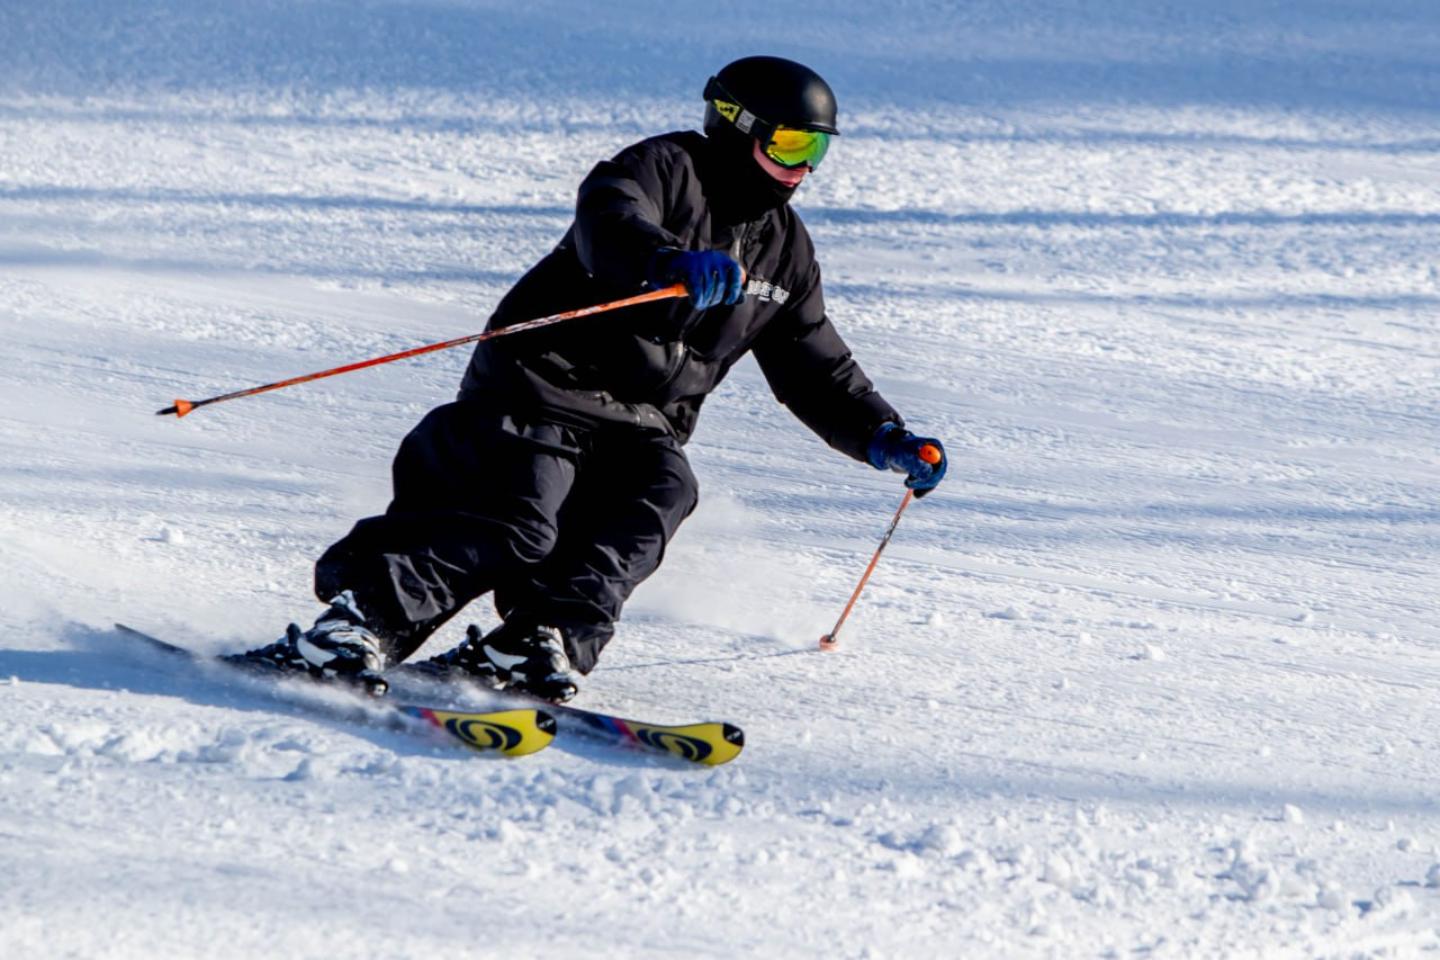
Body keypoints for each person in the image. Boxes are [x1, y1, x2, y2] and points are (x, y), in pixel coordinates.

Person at [235, 55, 947, 701]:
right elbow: (607, 214)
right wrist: (666, 260)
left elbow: (813, 362)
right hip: (539, 385)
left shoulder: (786, 251)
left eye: (817, 150)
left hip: (642, 424)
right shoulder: (668, 168)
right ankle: (359, 627)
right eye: (790, 144)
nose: (803, 169)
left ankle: (533, 644)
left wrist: (881, 435)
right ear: (737, 127)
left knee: (661, 491)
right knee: (516, 520)